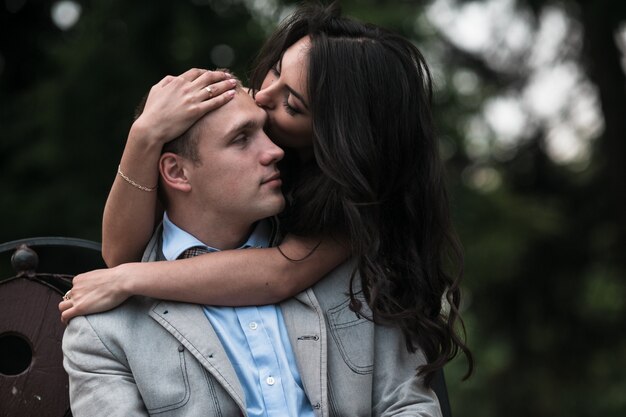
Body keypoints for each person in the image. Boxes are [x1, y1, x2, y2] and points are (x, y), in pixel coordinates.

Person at [60, 1, 473, 390]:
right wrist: (145, 134)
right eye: (274, 71)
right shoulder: (257, 148)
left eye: (291, 105)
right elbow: (119, 251)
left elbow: (279, 274)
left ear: (339, 135)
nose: (261, 96)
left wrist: (129, 279)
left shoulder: (358, 198)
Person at [63, 84, 443, 416]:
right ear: (177, 173)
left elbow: (408, 406)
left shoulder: (342, 255)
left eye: (265, 130)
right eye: (242, 138)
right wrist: (143, 134)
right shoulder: (101, 330)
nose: (275, 150)